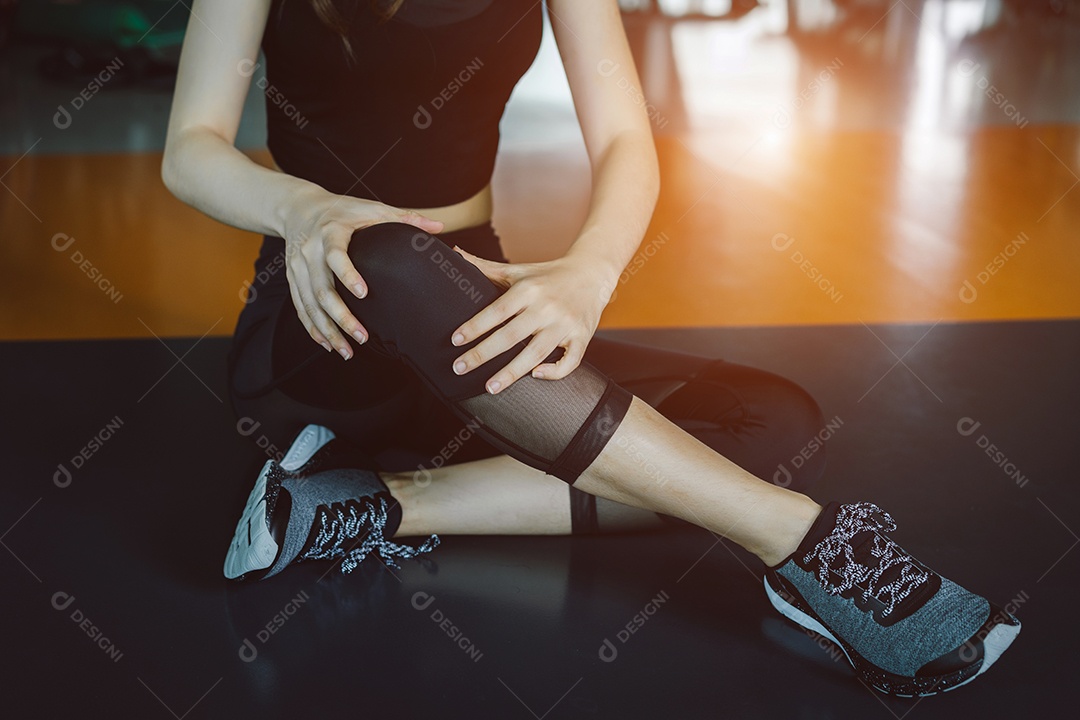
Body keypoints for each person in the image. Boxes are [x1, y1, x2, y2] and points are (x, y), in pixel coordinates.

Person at [162, 0, 1019, 697]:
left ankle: (359, 504)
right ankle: (802, 546)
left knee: (776, 423)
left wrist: (590, 269)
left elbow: (623, 142)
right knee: (390, 253)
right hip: (324, 327)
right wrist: (304, 210)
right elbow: (189, 148)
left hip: (470, 320)